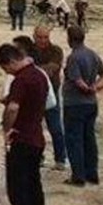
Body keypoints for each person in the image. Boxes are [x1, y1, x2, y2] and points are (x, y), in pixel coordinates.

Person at [0, 36, 56, 205]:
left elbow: (21, 106)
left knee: (17, 181)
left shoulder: (23, 78)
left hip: (20, 133)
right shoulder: (32, 75)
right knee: (28, 181)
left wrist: (23, 114)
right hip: (30, 132)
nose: (6, 72)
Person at [0, 44, 48, 205]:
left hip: (21, 140)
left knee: (18, 192)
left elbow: (14, 107)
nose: (7, 72)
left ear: (12, 61)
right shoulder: (39, 75)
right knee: (35, 188)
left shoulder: (21, 80)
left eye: (5, 68)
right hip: (37, 139)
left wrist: (7, 131)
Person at [62, 25, 103, 187]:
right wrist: (96, 87)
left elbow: (77, 80)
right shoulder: (92, 54)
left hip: (75, 103)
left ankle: (78, 175)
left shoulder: (74, 57)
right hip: (91, 104)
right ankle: (92, 173)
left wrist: (87, 88)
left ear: (70, 39)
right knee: (89, 138)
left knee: (74, 139)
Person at [30, 27, 67, 170]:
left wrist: (33, 69)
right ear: (34, 36)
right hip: (33, 95)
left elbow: (52, 68)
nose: (43, 40)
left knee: (56, 128)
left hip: (51, 95)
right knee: (34, 129)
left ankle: (60, 159)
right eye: (40, 37)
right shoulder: (28, 50)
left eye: (45, 37)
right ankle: (38, 157)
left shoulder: (56, 51)